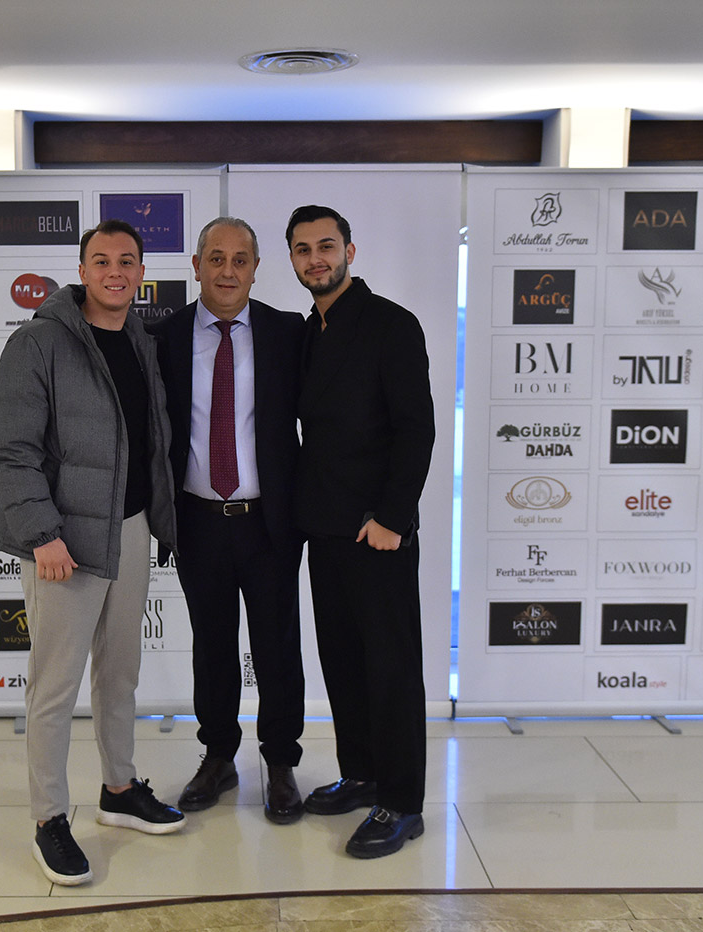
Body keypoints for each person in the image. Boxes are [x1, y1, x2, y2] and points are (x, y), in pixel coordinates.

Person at [0, 219, 184, 887]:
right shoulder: (38, 342)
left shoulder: (140, 339)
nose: (115, 272)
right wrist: (42, 534)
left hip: (130, 529)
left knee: (120, 672)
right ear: (81, 270)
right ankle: (48, 818)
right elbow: (12, 450)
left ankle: (119, 789)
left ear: (140, 273)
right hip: (64, 542)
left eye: (127, 261)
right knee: (55, 685)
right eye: (102, 261)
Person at [285, 204, 434, 858]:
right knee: (343, 663)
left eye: (326, 246)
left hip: (379, 531)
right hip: (324, 527)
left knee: (391, 668)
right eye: (303, 250)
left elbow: (416, 428)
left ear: (350, 250)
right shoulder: (308, 332)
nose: (315, 259)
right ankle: (364, 774)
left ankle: (401, 802)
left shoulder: (391, 325)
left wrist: (392, 518)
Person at [149, 217, 307, 825]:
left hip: (269, 522)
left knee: (276, 645)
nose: (228, 271)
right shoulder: (162, 337)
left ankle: (281, 761)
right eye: (216, 258)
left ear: (256, 269)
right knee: (212, 645)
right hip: (197, 520)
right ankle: (218, 757)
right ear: (196, 266)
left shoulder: (287, 332)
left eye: (241, 260)